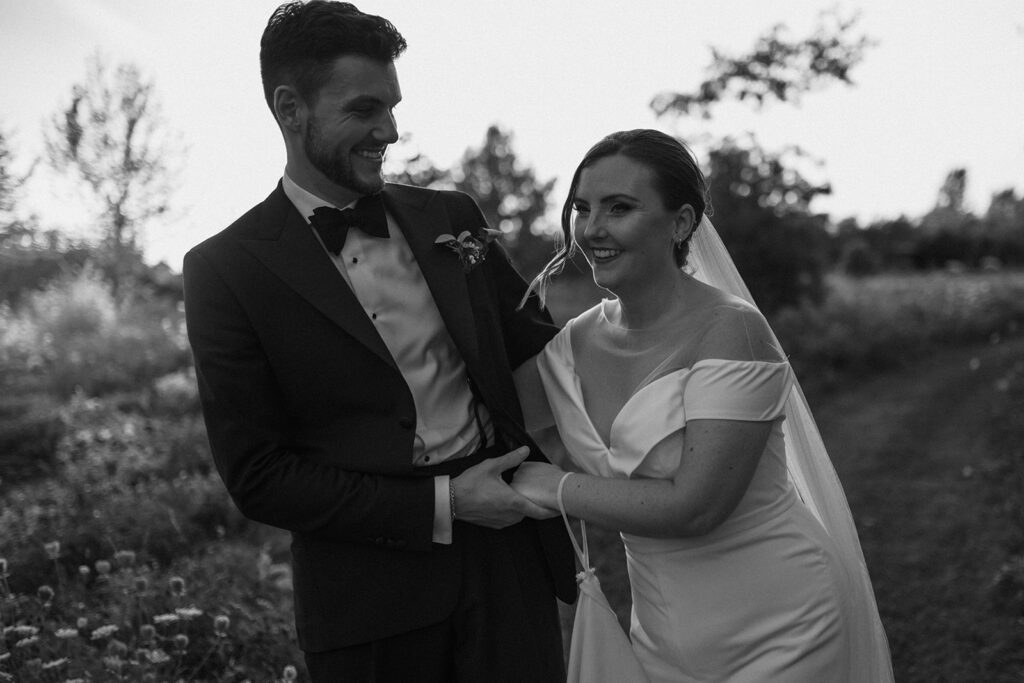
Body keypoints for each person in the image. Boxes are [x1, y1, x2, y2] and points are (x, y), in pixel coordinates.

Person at [181, 2, 574, 680]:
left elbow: (542, 347)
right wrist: (444, 506)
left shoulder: (452, 216)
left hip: (509, 561)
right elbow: (258, 475)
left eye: (392, 107)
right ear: (290, 108)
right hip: (367, 598)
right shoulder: (225, 270)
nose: (388, 131)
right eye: (365, 110)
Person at [511, 129, 894, 682]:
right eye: (582, 208)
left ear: (683, 223)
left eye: (620, 208)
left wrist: (556, 488)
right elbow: (481, 419)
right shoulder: (570, 345)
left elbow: (696, 507)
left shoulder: (732, 330)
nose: (593, 229)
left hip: (783, 622)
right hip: (663, 630)